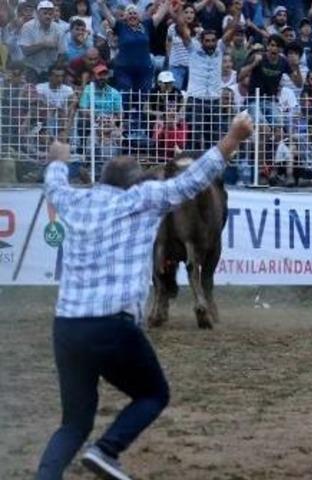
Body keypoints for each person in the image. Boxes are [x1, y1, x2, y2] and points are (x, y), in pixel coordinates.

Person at [35, 111, 254, 480]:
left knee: (73, 423)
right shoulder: (141, 200)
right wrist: (232, 138)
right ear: (134, 184)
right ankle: (107, 451)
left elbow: (54, 184)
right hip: (112, 325)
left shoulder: (73, 201)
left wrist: (58, 159)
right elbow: (193, 180)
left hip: (67, 327)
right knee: (152, 394)